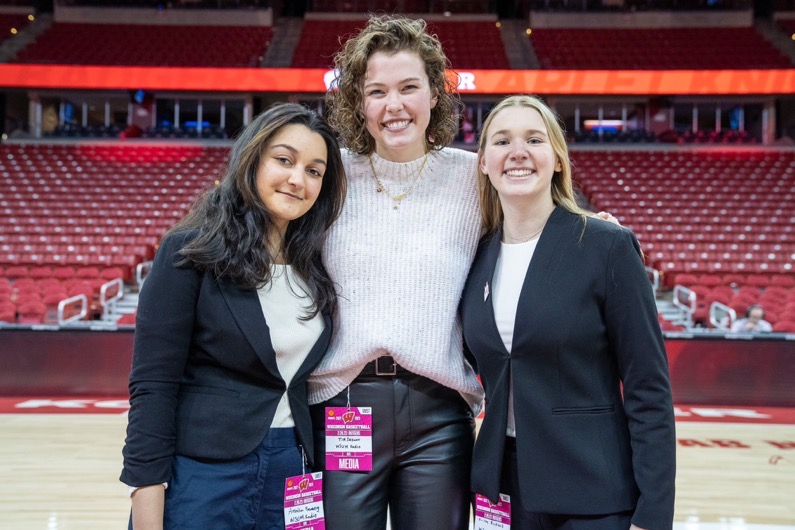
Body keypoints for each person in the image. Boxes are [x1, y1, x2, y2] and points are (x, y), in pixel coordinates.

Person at [120, 103, 346, 529]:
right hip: (204, 473)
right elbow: (152, 385)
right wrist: (147, 501)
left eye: (315, 171)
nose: (298, 179)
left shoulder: (316, 266)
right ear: (252, 158)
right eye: (284, 160)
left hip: (294, 468)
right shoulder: (189, 253)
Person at [460, 95, 676, 530]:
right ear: (483, 163)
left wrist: (652, 515)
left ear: (557, 159)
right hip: (501, 489)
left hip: (592, 490)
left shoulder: (606, 246)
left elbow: (648, 390)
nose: (517, 152)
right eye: (502, 141)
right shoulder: (476, 256)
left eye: (533, 139)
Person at [307, 15, 484, 530]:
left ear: (434, 94)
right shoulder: (330, 177)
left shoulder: (475, 177)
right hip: (345, 405)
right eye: (377, 91)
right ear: (359, 104)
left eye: (409, 87)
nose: (394, 105)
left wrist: (594, 226)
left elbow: (540, 215)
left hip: (439, 410)